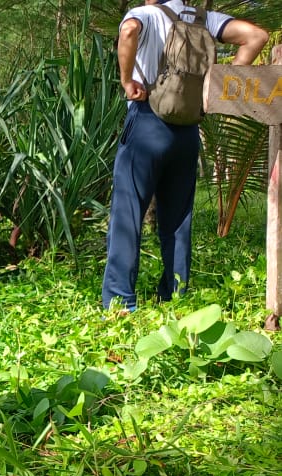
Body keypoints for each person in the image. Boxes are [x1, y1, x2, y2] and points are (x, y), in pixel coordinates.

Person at [102, 0, 267, 312]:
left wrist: (126, 81)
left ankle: (120, 301)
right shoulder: (204, 19)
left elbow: (129, 31)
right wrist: (216, 90)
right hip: (188, 130)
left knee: (128, 213)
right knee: (178, 219)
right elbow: (256, 36)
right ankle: (175, 296)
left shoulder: (146, 14)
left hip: (147, 120)